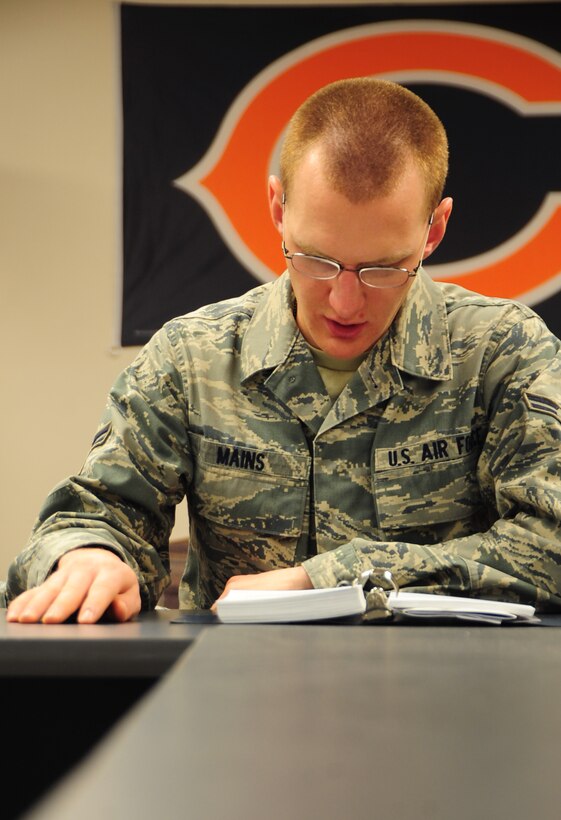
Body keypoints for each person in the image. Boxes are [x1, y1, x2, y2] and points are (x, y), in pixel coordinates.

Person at [5, 77, 561, 625]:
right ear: (277, 208)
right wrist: (90, 555)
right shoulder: (192, 358)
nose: (345, 302)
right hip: (233, 680)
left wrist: (334, 579)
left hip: (449, 679)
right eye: (316, 260)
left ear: (434, 230)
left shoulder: (501, 353)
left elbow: (551, 545)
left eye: (383, 269)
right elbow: (100, 511)